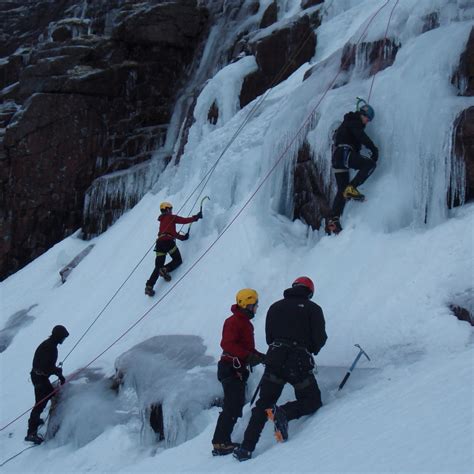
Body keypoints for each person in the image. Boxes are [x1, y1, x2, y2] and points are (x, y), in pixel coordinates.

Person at [233, 277, 327, 461]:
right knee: (312, 400)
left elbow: (269, 337)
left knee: (263, 403)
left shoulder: (275, 307)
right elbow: (320, 337)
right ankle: (285, 412)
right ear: (310, 291)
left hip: (274, 358)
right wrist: (311, 349)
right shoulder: (313, 308)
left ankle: (246, 448)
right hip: (298, 362)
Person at [211, 289, 265, 456]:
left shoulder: (245, 323)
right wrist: (248, 356)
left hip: (236, 368)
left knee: (234, 404)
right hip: (230, 368)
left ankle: (222, 441)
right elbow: (227, 344)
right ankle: (220, 442)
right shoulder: (234, 322)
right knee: (232, 405)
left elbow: (246, 348)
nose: (256, 308)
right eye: (255, 305)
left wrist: (260, 357)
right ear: (248, 304)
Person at [327, 101, 378, 234]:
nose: (367, 122)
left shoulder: (348, 122)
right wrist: (373, 148)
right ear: (363, 114)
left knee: (342, 189)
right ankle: (353, 187)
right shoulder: (354, 121)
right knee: (370, 164)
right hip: (344, 153)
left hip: (337, 158)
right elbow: (361, 136)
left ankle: (334, 220)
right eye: (367, 118)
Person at [145, 201, 203, 296]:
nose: (171, 211)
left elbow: (172, 233)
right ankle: (165, 269)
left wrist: (182, 237)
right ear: (167, 209)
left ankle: (149, 286)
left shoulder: (162, 220)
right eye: (170, 209)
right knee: (177, 260)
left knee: (158, 266)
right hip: (168, 243)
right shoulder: (171, 217)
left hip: (159, 243)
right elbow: (183, 221)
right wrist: (196, 217)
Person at [25, 325, 69, 444]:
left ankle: (35, 420)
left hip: (39, 377)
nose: (63, 340)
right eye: (63, 337)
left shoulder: (50, 345)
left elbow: (46, 367)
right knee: (40, 403)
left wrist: (57, 372)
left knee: (49, 394)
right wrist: (57, 372)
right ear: (59, 336)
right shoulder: (50, 348)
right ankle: (31, 433)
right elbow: (45, 368)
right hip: (39, 378)